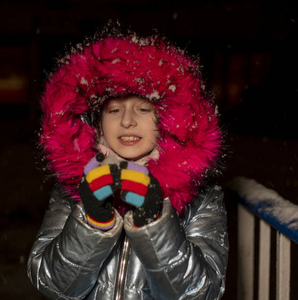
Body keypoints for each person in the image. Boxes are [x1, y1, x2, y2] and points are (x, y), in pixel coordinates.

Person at [28, 24, 229, 300]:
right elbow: (53, 285)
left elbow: (201, 293)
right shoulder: (75, 188)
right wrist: (93, 221)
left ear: (170, 119)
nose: (127, 121)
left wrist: (155, 222)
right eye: (114, 110)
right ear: (97, 122)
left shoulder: (201, 196)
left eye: (144, 109)